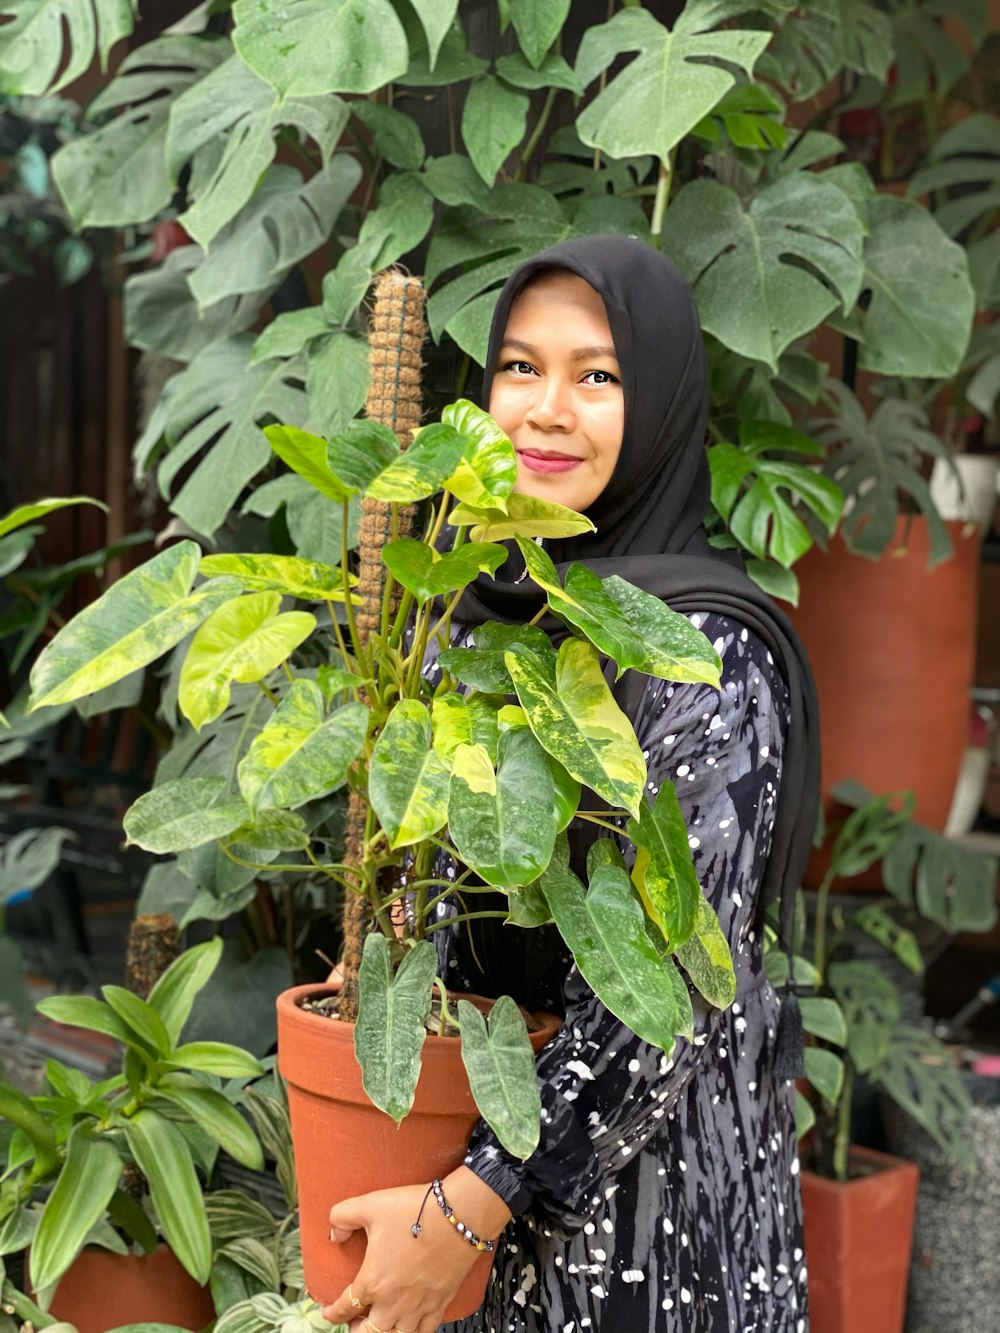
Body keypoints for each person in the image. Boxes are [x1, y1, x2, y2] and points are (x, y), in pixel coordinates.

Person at [323, 236, 819, 1333]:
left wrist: (471, 1205)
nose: (546, 409)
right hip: (456, 1178)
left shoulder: (701, 649)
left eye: (597, 375)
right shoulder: (466, 624)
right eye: (518, 367)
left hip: (644, 1217)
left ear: (661, 403)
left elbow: (670, 1000)